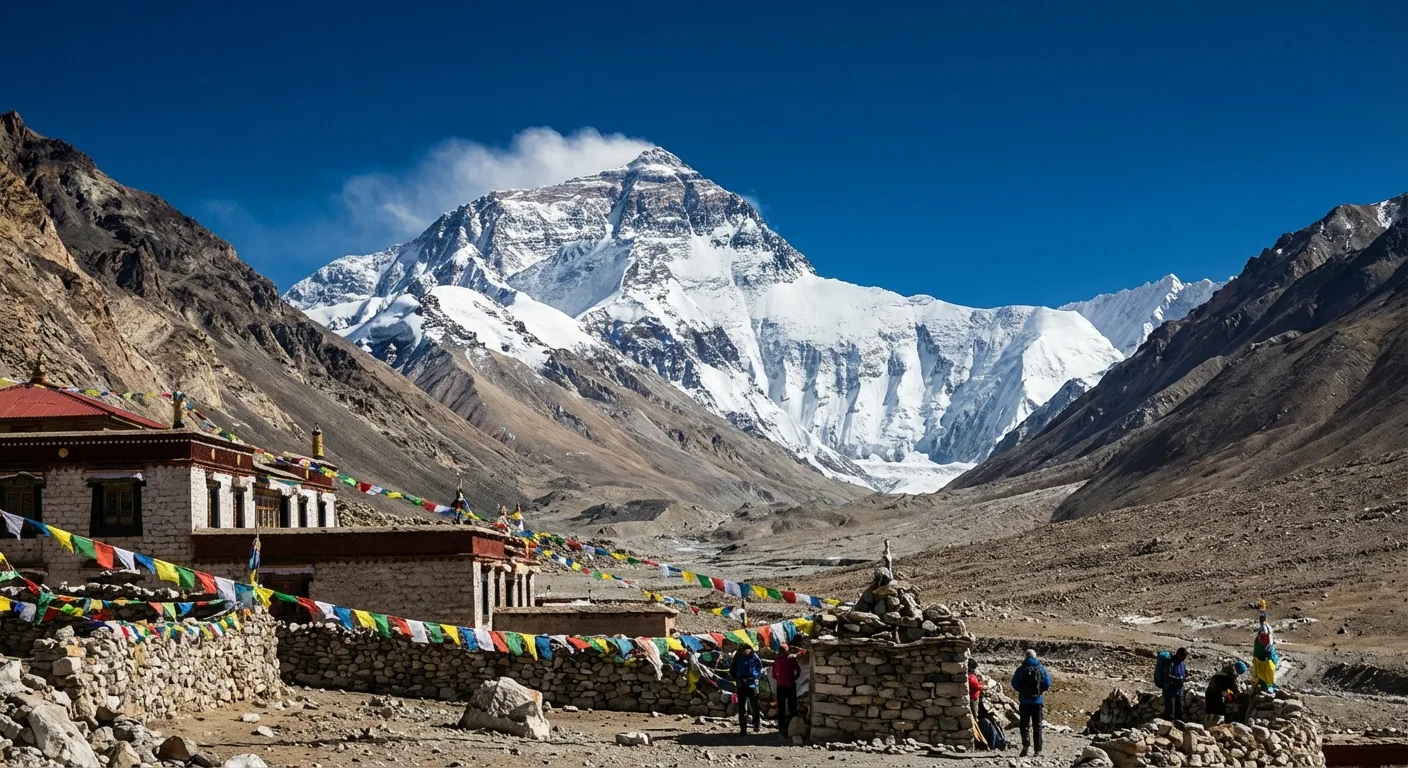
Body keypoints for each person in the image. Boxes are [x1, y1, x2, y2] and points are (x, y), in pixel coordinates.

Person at [1011, 649, 1052, 758]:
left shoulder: (1021, 669)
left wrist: (1022, 691)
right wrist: (1040, 691)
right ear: (1035, 657)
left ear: (1025, 656)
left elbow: (1014, 683)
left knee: (1024, 725)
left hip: (1024, 701)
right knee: (1037, 725)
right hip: (1037, 702)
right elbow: (1047, 683)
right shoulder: (1041, 669)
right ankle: (1037, 750)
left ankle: (1025, 746)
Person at [731, 645, 763, 735]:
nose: (747, 651)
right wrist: (738, 679)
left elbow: (760, 669)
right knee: (742, 709)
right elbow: (732, 671)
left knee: (755, 707)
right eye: (745, 650)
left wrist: (754, 678)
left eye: (748, 649)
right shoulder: (737, 658)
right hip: (741, 686)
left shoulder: (755, 657)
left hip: (753, 685)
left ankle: (756, 725)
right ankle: (743, 729)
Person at [1205, 660, 1249, 725]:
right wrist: (1234, 697)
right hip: (1217, 696)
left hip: (1210, 693)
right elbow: (1230, 690)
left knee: (1211, 714)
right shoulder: (1229, 678)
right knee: (1221, 713)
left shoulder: (1221, 674)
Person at [771, 644, 802, 735]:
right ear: (787, 650)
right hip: (791, 685)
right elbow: (798, 670)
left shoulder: (777, 660)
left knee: (781, 707)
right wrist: (795, 677)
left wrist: (779, 678)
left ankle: (781, 727)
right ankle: (793, 727)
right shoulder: (791, 659)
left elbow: (774, 675)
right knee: (792, 706)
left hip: (781, 685)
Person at [1252, 608, 1279, 691]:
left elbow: (1265, 641)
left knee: (1266, 672)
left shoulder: (1265, 630)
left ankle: (1267, 686)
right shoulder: (1266, 628)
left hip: (1265, 656)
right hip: (1263, 655)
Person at [1162, 647, 1189, 721]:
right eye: (1183, 656)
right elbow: (1167, 676)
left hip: (1178, 690)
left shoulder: (1182, 663)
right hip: (1169, 689)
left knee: (1178, 708)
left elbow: (1185, 673)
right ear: (1179, 655)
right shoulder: (1170, 663)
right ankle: (1164, 726)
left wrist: (1186, 677)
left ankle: (1177, 724)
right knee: (1169, 709)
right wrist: (1178, 679)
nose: (1184, 658)